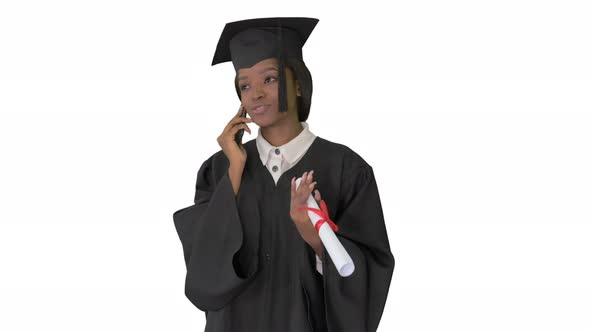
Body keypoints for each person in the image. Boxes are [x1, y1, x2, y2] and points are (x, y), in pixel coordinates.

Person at [173, 17, 395, 332]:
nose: (255, 94)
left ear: (299, 84)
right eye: (245, 84)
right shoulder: (218, 169)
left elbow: (368, 273)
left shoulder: (346, 169)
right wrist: (235, 172)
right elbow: (203, 277)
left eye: (270, 79)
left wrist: (315, 237)